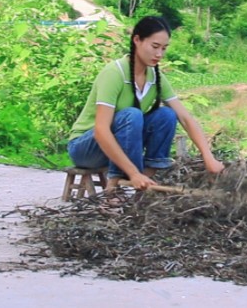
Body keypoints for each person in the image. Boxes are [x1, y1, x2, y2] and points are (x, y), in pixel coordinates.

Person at [67, 15, 224, 191]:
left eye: (164, 48)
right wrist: (133, 173)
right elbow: (101, 131)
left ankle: (148, 177)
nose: (159, 54)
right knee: (131, 114)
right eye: (155, 46)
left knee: (167, 114)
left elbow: (185, 118)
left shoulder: (155, 77)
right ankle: (117, 182)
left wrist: (208, 158)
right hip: (86, 148)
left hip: (120, 146)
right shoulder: (114, 73)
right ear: (137, 40)